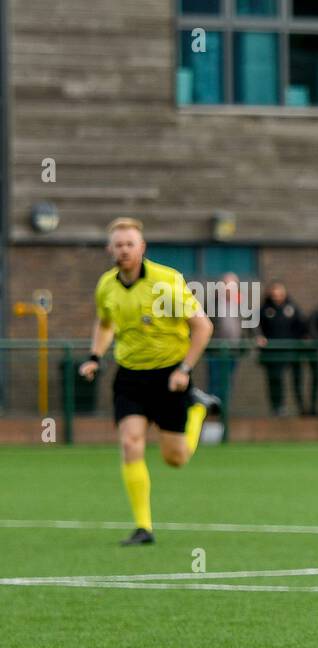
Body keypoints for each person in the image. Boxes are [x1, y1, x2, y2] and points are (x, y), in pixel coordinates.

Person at [77, 218, 222, 545]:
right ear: (109, 249)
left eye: (130, 244)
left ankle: (198, 411)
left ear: (142, 248)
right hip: (129, 376)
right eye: (118, 244)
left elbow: (203, 327)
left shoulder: (165, 282)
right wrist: (94, 357)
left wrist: (184, 368)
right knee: (130, 442)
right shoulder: (106, 286)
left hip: (170, 375)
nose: (124, 250)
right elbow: (104, 324)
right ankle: (144, 527)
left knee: (176, 458)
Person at [256, 282, 304, 416]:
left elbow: (301, 326)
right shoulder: (264, 310)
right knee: (275, 380)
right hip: (272, 353)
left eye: (280, 294)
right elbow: (254, 326)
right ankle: (277, 408)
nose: (277, 297)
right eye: (274, 294)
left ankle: (301, 407)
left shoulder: (292, 308)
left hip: (291, 351)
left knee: (297, 380)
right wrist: (259, 337)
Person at [206, 271, 244, 408]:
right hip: (216, 351)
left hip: (233, 351)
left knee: (228, 382)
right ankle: (213, 412)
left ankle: (223, 411)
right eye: (227, 285)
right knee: (215, 381)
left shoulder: (241, 304)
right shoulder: (212, 303)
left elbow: (249, 324)